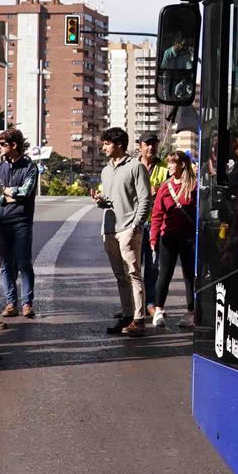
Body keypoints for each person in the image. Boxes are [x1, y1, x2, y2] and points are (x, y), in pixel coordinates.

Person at [94, 128, 151, 335]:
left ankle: (139, 319)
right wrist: (101, 201)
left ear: (118, 144)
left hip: (129, 228)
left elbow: (145, 199)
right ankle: (127, 317)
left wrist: (137, 224)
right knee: (120, 276)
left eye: (107, 143)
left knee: (133, 274)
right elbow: (109, 201)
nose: (104, 147)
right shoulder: (106, 170)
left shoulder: (136, 167)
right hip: (109, 229)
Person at [147, 149, 198, 329]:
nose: (168, 166)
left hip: (189, 238)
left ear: (182, 165)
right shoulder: (165, 187)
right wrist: (153, 239)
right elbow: (157, 215)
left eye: (172, 163)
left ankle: (192, 311)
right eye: (168, 162)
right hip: (167, 237)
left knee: (190, 275)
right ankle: (159, 309)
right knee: (164, 274)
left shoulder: (194, 186)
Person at [0, 129, 39, 319]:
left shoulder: (30, 167)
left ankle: (27, 303)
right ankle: (11, 303)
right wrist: (7, 194)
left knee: (24, 263)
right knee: (5, 264)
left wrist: (4, 191)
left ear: (14, 145)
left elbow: (26, 192)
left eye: (2, 144)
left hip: (21, 221)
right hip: (0, 220)